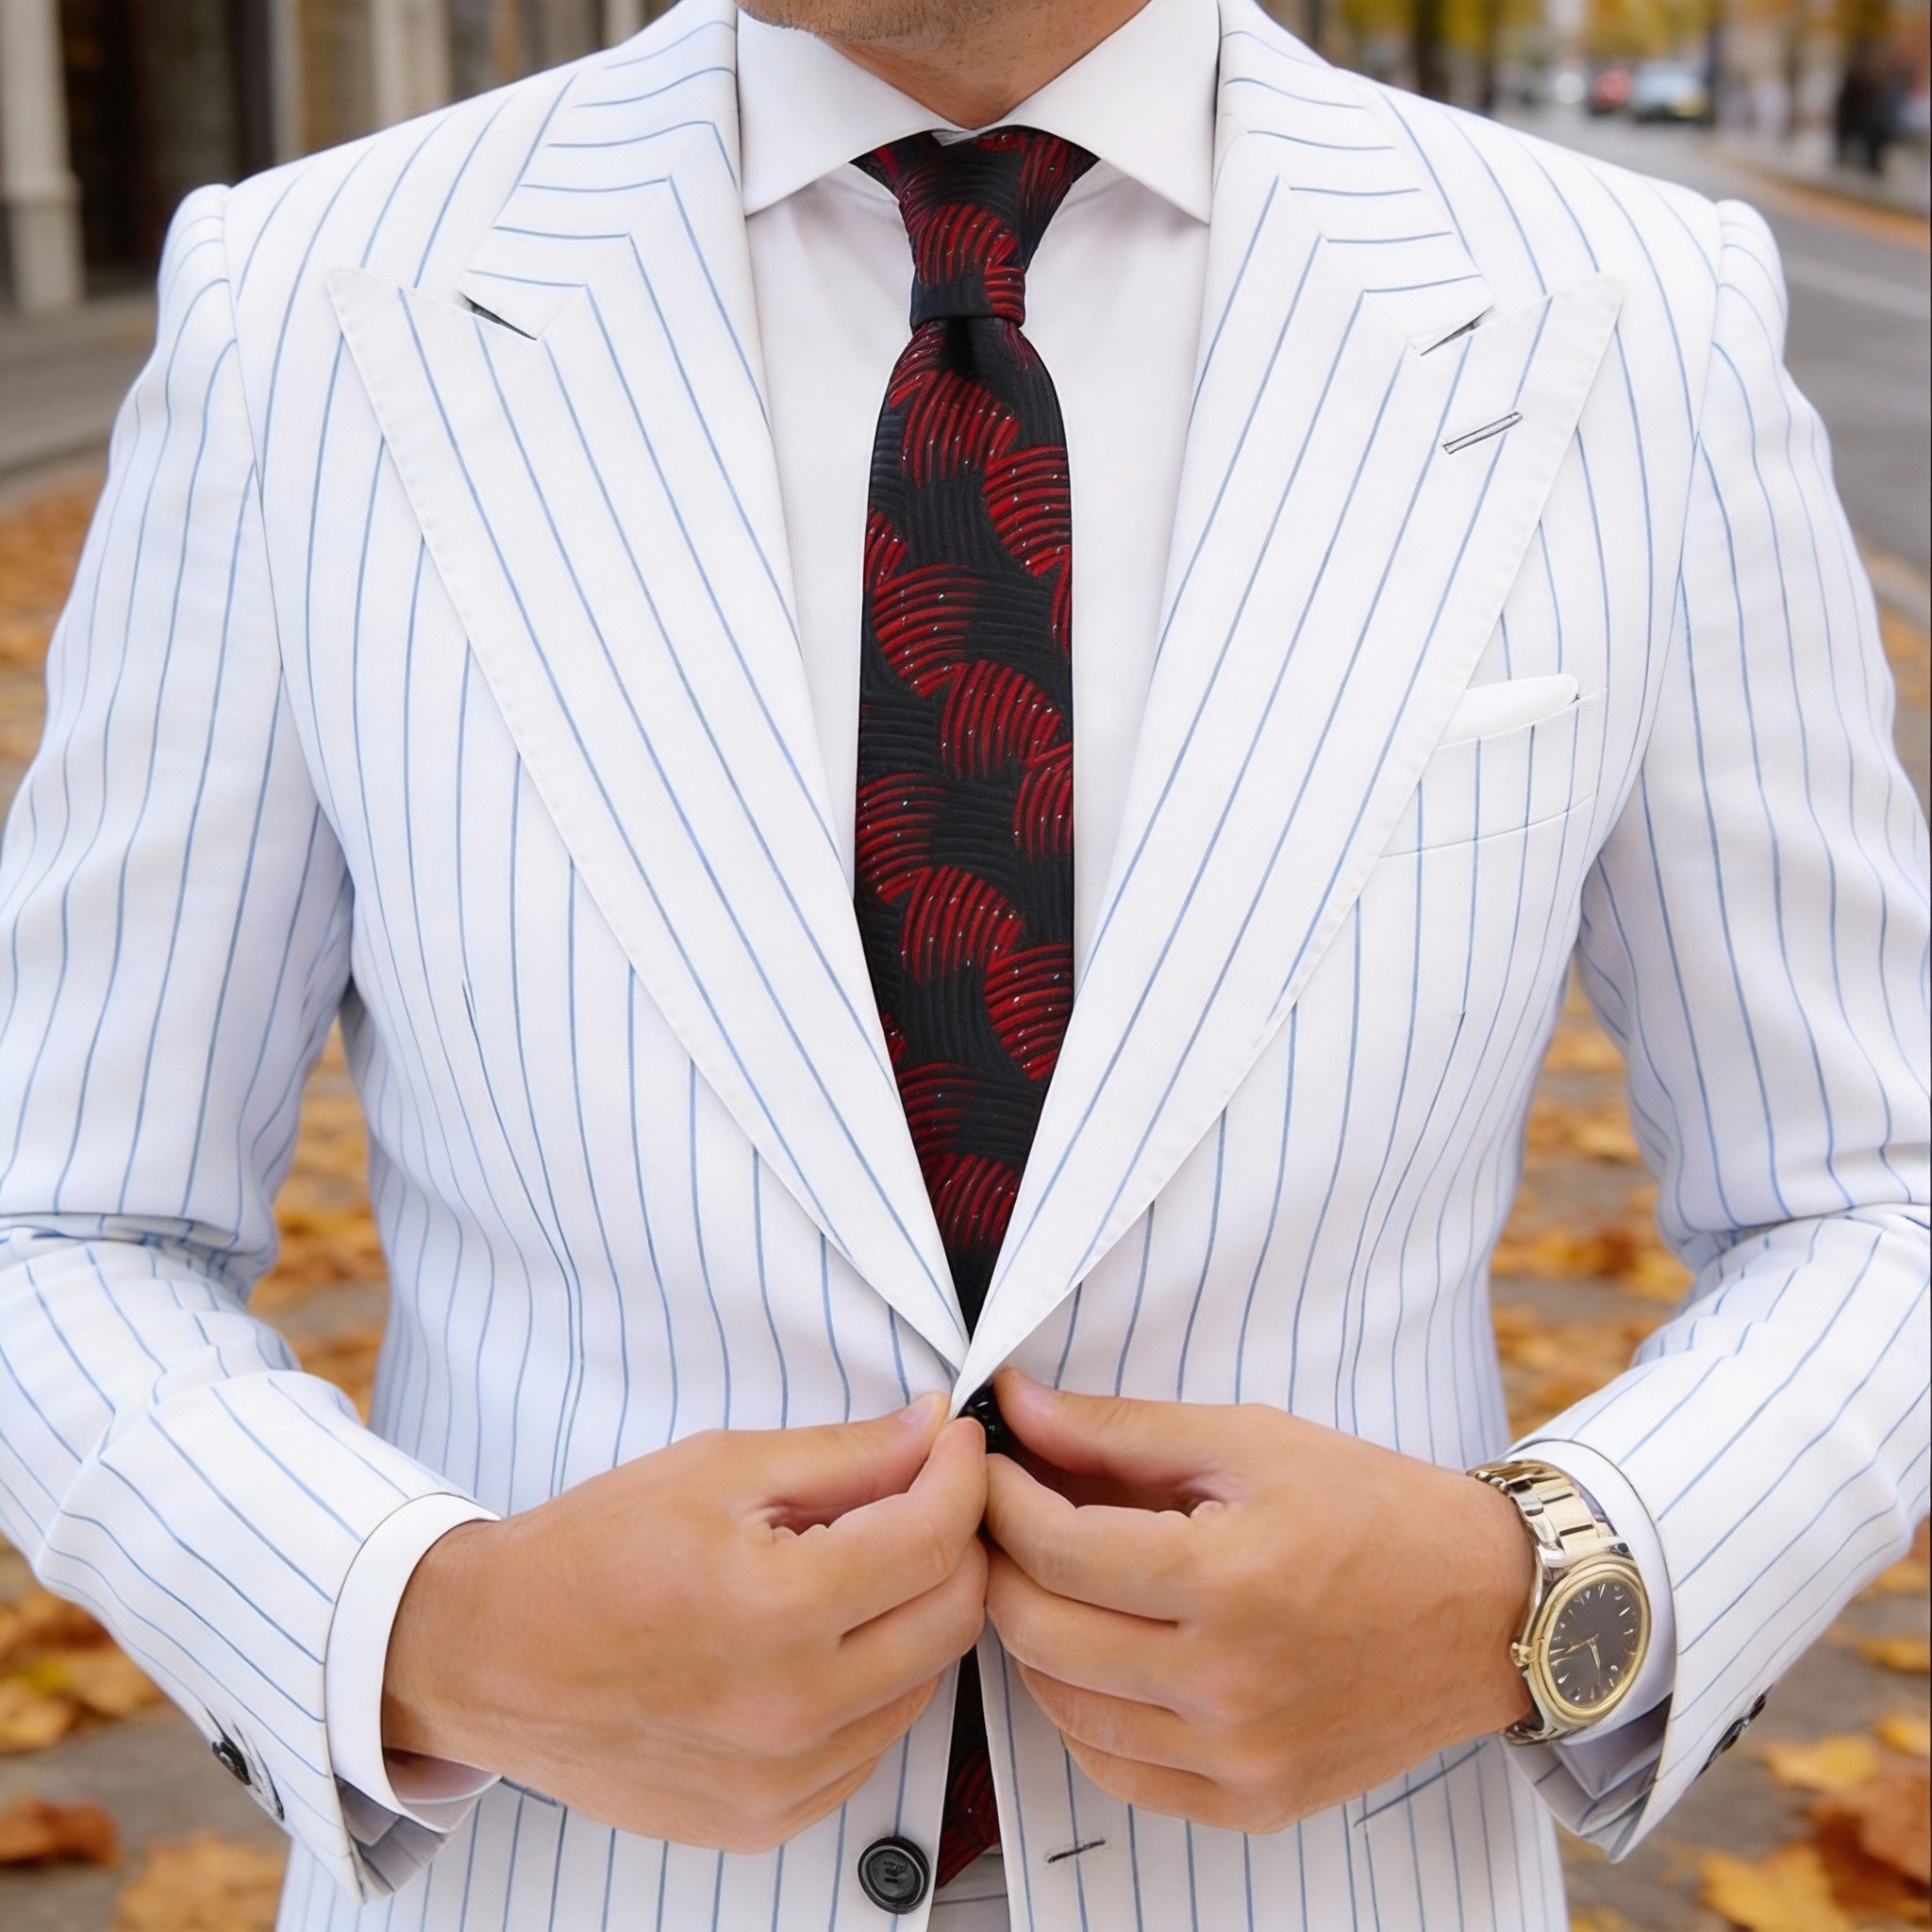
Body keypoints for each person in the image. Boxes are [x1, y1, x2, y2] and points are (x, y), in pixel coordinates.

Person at [0, 0, 1924, 1925]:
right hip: (559, 1872)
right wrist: (421, 1629)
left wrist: (1546, 1593)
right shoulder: (310, 307)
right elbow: (58, 1218)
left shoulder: (1631, 317)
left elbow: (1873, 1197)